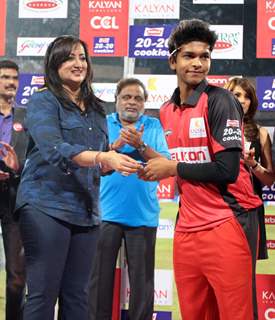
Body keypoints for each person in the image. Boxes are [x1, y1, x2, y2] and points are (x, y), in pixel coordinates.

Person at [140, 19, 263, 319]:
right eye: (189, 56)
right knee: (194, 315)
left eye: (204, 56)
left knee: (236, 315)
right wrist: (147, 157)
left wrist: (171, 167)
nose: (198, 63)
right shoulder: (166, 110)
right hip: (187, 230)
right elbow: (183, 161)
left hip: (228, 222)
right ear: (173, 60)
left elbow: (227, 170)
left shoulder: (221, 101)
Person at [15, 36, 141, 320]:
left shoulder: (96, 109)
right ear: (55, 63)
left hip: (85, 213)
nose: (78, 63)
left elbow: (96, 161)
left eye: (82, 57)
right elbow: (54, 148)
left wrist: (116, 155)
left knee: (77, 297)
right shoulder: (42, 100)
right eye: (70, 57)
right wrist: (101, 157)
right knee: (43, 293)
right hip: (45, 206)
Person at [89, 78, 170, 320]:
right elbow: (93, 162)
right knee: (98, 283)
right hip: (105, 214)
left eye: (138, 98)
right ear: (116, 100)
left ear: (145, 103)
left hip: (143, 216)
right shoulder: (103, 124)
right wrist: (116, 144)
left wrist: (140, 144)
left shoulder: (153, 125)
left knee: (143, 285)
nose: (132, 102)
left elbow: (164, 164)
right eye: (126, 97)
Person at [225, 77, 275, 319]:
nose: (242, 100)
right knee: (220, 276)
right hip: (220, 210)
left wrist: (252, 163)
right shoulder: (213, 127)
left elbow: (268, 180)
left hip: (250, 213)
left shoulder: (261, 133)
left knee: (245, 280)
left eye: (246, 96)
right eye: (236, 95)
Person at [0, 59, 27, 320]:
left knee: (18, 277)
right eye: (5, 77)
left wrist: (18, 167)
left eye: (14, 78)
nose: (10, 82)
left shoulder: (26, 118)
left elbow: (37, 159)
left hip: (15, 198)